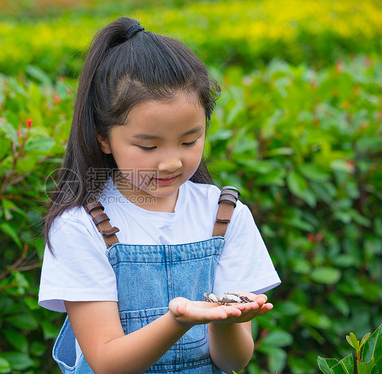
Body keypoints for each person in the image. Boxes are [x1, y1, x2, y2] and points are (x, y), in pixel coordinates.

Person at [38, 17, 281, 374]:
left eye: (189, 140)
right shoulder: (79, 226)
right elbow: (106, 362)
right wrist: (178, 321)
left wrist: (227, 320)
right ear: (103, 137)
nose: (171, 162)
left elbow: (232, 361)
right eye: (148, 145)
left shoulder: (224, 215)